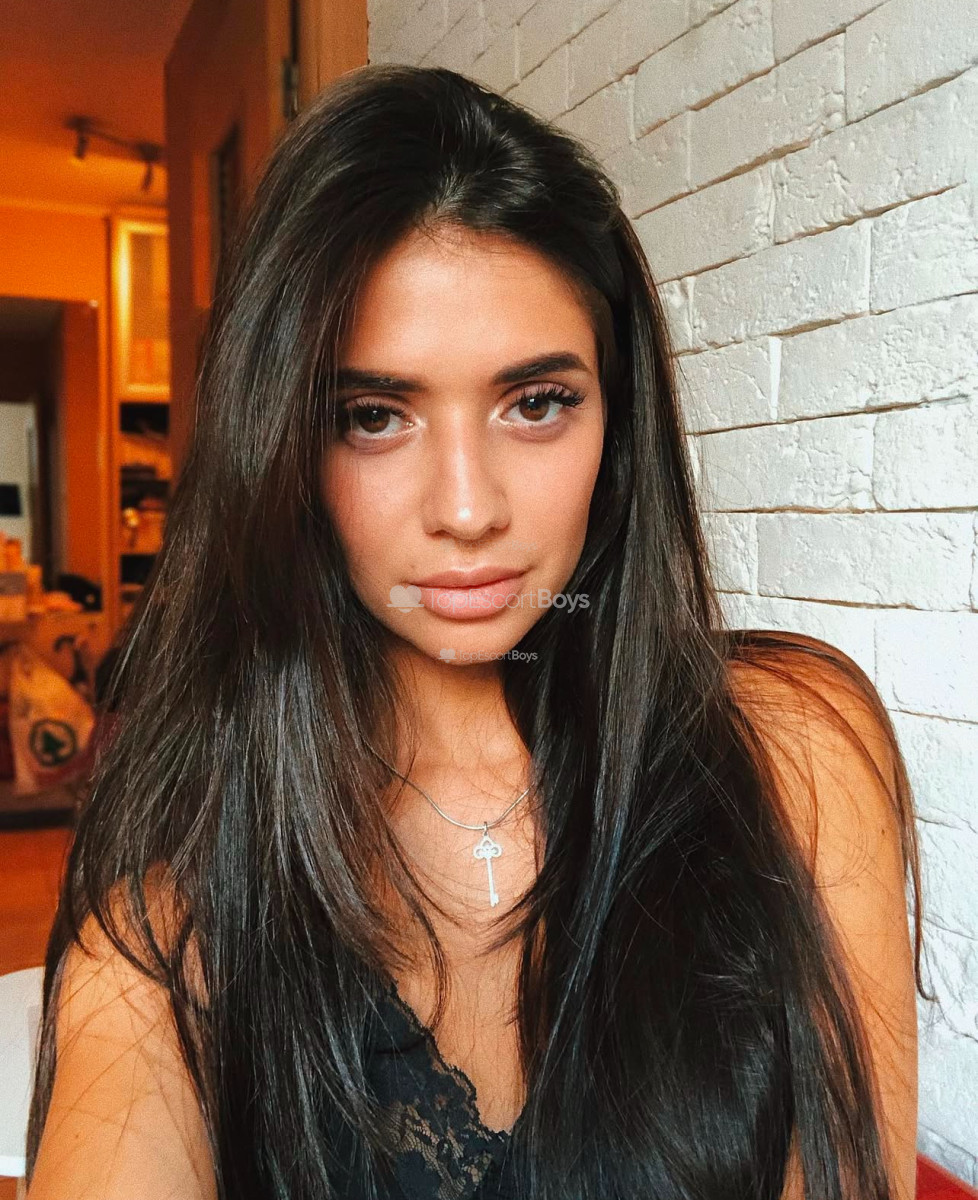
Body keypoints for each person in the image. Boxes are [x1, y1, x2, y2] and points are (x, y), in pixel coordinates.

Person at [23, 64, 925, 1200]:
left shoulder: (793, 753)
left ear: (616, 423)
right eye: (374, 416)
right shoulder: (167, 937)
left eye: (536, 403)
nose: (466, 508)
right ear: (281, 448)